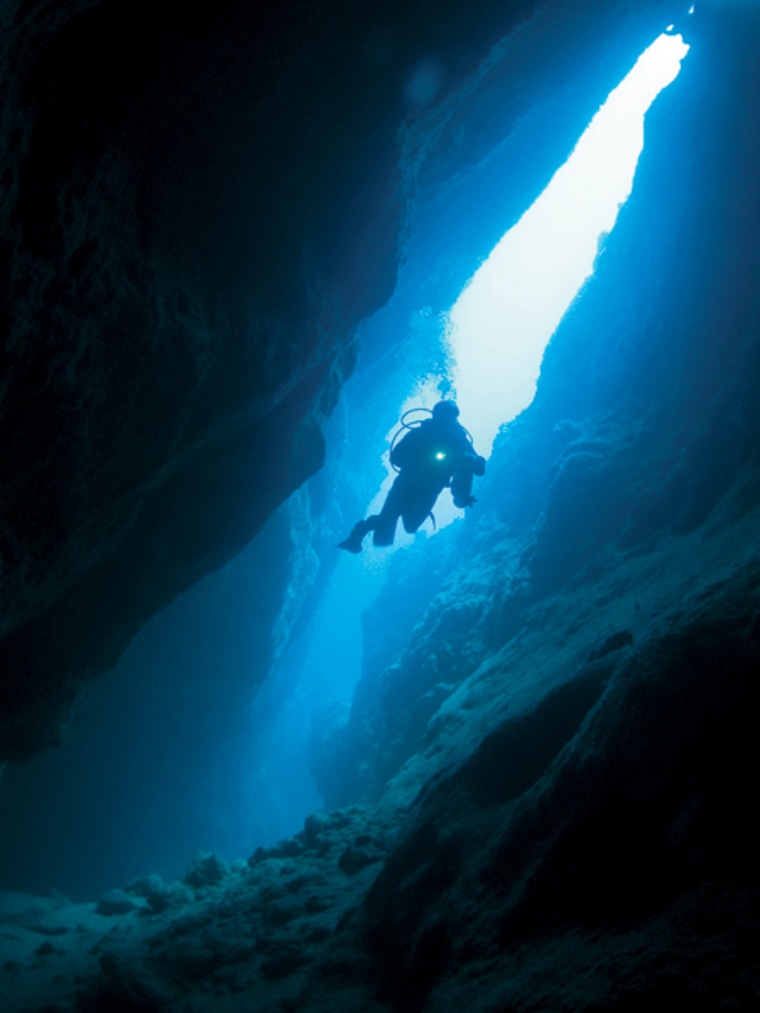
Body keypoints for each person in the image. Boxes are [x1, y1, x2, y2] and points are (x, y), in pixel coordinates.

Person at [338, 400, 486, 553]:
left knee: (411, 527)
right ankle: (360, 531)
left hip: (430, 490)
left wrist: (474, 461)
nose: (447, 420)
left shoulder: (460, 441)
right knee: (385, 523)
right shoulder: (419, 434)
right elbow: (395, 457)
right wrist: (419, 462)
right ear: (435, 416)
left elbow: (480, 469)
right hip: (405, 485)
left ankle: (399, 514)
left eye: (451, 416)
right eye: (444, 415)